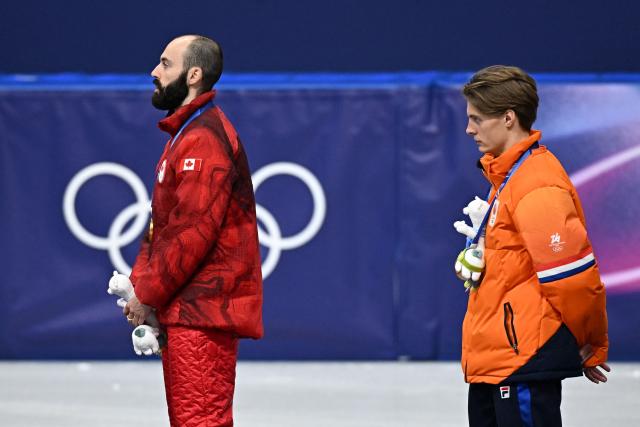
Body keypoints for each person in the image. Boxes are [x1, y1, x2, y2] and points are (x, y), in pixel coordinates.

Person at [456, 65, 609, 427]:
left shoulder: (537, 184)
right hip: (497, 361)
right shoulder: (507, 177)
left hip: (522, 360)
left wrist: (591, 340)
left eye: (477, 119)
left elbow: (572, 278)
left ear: (508, 118)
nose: (469, 129)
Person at [123, 35, 263, 427]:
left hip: (203, 313)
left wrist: (147, 293)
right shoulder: (185, 135)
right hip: (188, 309)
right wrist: (141, 286)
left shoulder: (203, 139)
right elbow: (162, 225)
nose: (154, 72)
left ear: (194, 74)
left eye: (165, 64)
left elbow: (191, 235)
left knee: (200, 420)